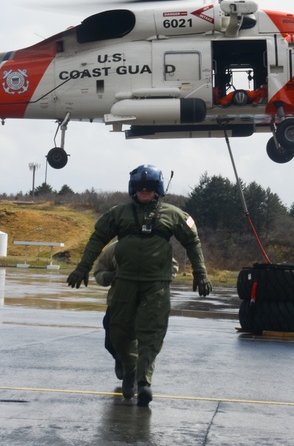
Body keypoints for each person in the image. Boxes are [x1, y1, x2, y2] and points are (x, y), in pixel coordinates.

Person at [67, 164, 211, 407]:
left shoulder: (173, 215)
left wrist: (201, 272)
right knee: (119, 332)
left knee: (151, 333)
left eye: (150, 187)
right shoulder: (119, 214)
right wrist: (83, 267)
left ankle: (144, 382)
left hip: (156, 284)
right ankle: (129, 369)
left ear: (158, 190)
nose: (145, 191)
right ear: (133, 190)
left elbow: (192, 242)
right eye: (140, 187)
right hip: (125, 282)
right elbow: (97, 239)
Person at [93, 240, 179, 381]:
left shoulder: (155, 245)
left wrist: (159, 278)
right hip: (118, 304)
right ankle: (120, 359)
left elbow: (173, 266)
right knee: (110, 343)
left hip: (146, 304)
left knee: (141, 343)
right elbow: (99, 272)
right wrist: (110, 276)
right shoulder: (114, 248)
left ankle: (134, 374)